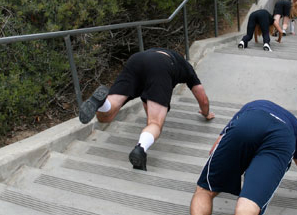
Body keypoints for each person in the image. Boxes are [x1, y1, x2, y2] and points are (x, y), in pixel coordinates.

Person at [78, 48, 214, 170]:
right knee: (155, 124)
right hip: (161, 66)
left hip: (136, 60)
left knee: (105, 117)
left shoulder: (155, 52)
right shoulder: (185, 67)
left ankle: (102, 103)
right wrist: (206, 113)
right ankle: (141, 148)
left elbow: (147, 99)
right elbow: (202, 97)